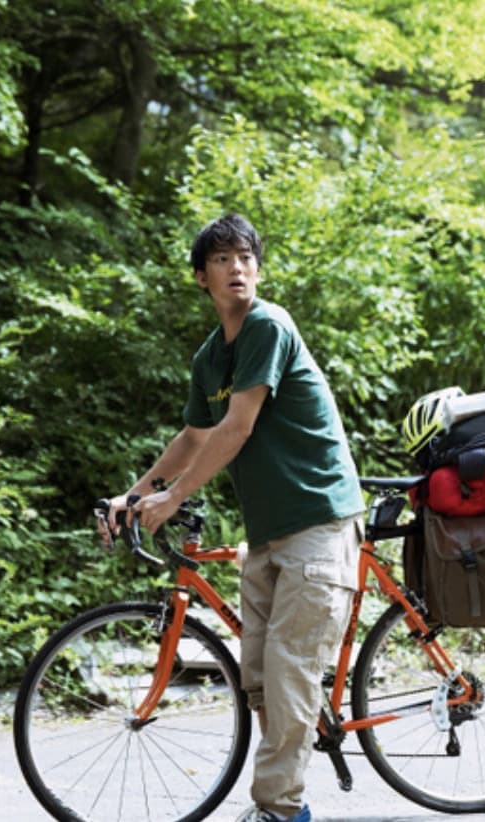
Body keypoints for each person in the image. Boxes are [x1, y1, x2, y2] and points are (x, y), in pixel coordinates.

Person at [105, 213, 363, 822]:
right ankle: (287, 790)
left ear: (258, 270)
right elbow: (195, 436)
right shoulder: (209, 359)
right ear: (202, 277)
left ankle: (281, 809)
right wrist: (134, 496)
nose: (236, 268)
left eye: (245, 257)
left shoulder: (268, 326)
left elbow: (237, 428)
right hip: (268, 533)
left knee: (289, 673)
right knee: (258, 680)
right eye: (222, 259)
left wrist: (173, 498)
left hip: (319, 521)